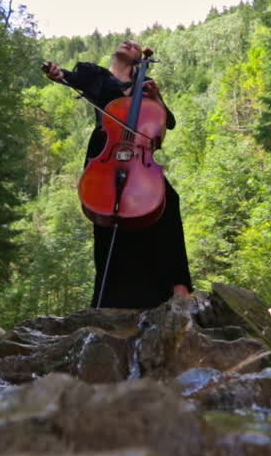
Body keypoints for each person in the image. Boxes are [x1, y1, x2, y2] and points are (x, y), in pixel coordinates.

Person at [44, 39, 193, 308]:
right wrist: (57, 73)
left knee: (168, 202)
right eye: (127, 42)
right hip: (106, 150)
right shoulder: (94, 75)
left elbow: (167, 122)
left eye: (135, 45)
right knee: (106, 217)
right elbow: (69, 78)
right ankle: (107, 298)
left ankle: (178, 285)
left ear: (138, 60)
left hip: (138, 158)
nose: (129, 44)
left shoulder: (143, 86)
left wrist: (155, 96)